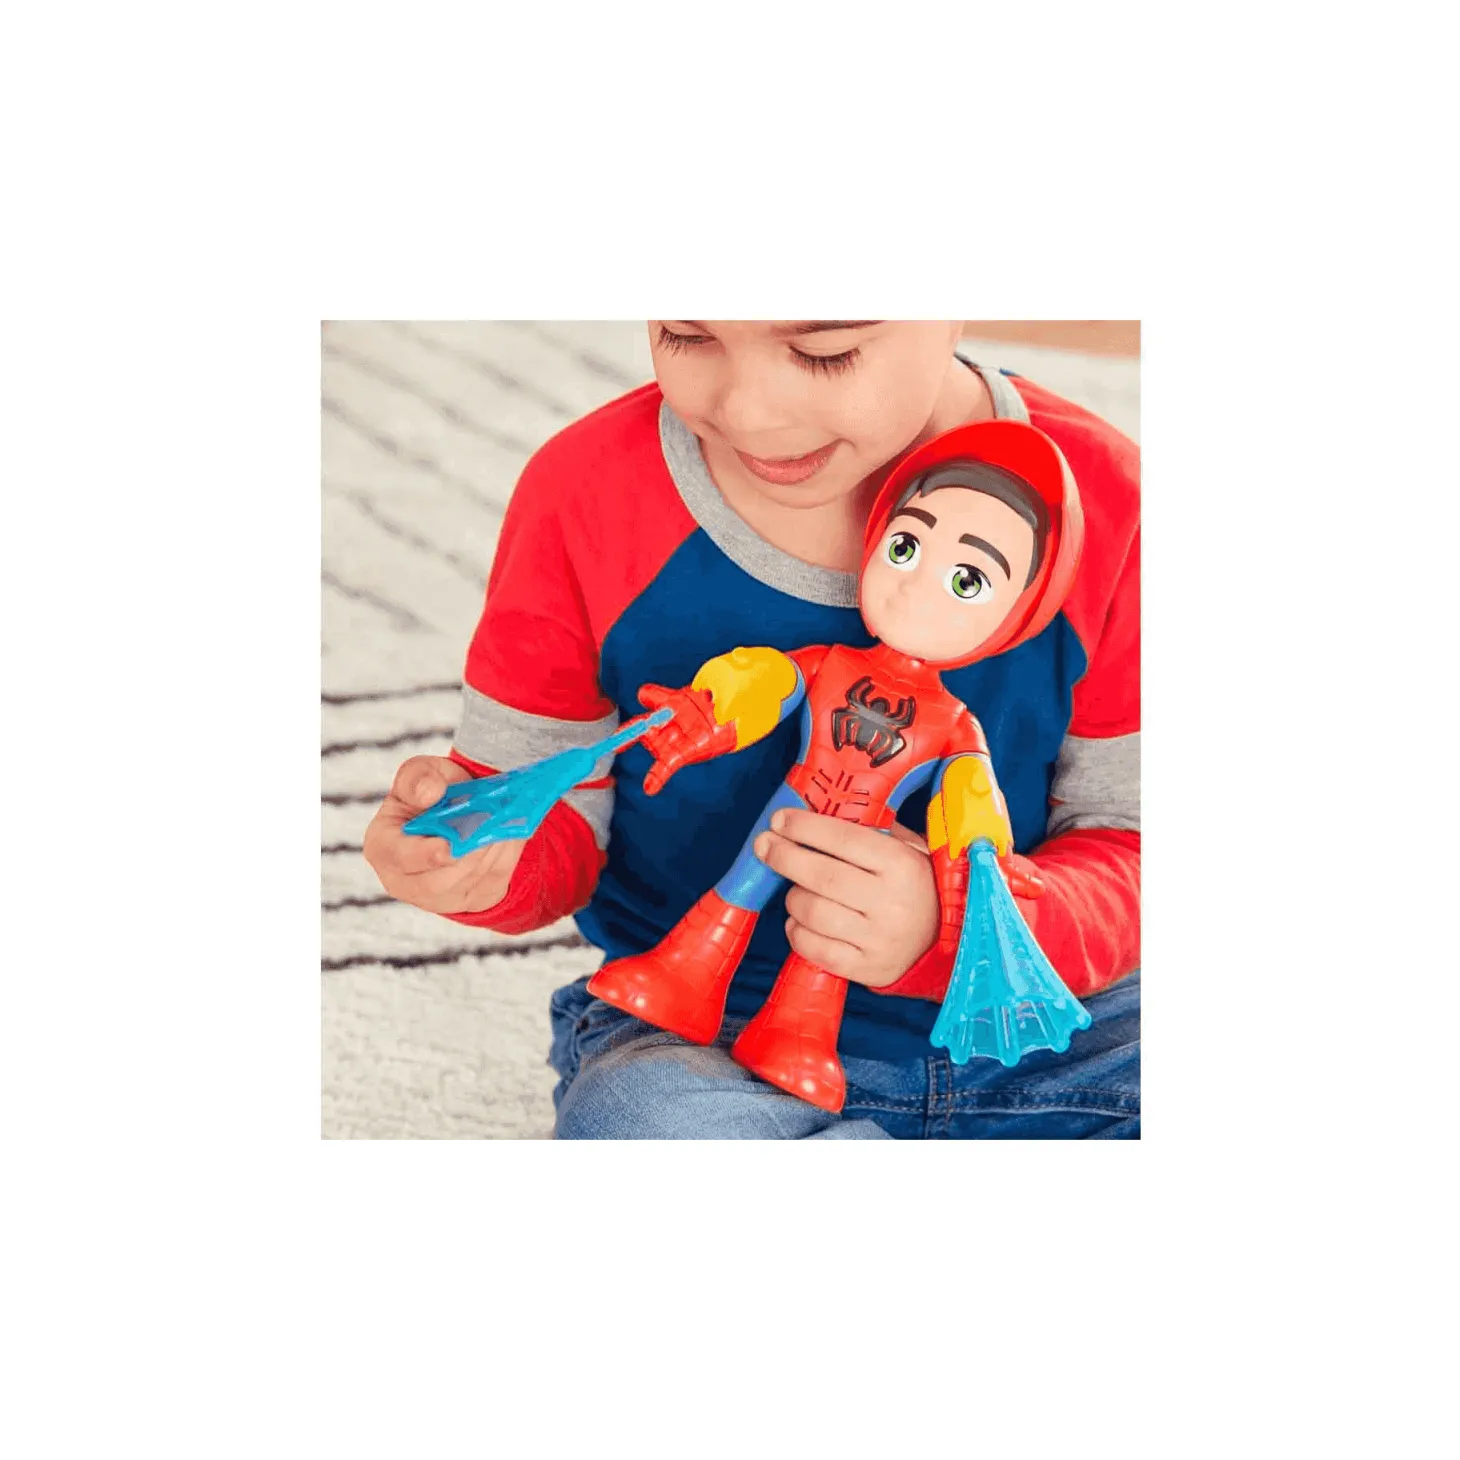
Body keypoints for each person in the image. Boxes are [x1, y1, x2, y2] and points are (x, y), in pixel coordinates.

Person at [363, 321, 1140, 1139]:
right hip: (705, 1039)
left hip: (1057, 1034)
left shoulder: (1114, 503)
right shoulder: (585, 493)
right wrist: (482, 866)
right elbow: (549, 822)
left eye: (824, 351)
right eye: (687, 335)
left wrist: (950, 927)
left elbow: (1134, 847)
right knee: (640, 1128)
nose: (750, 412)